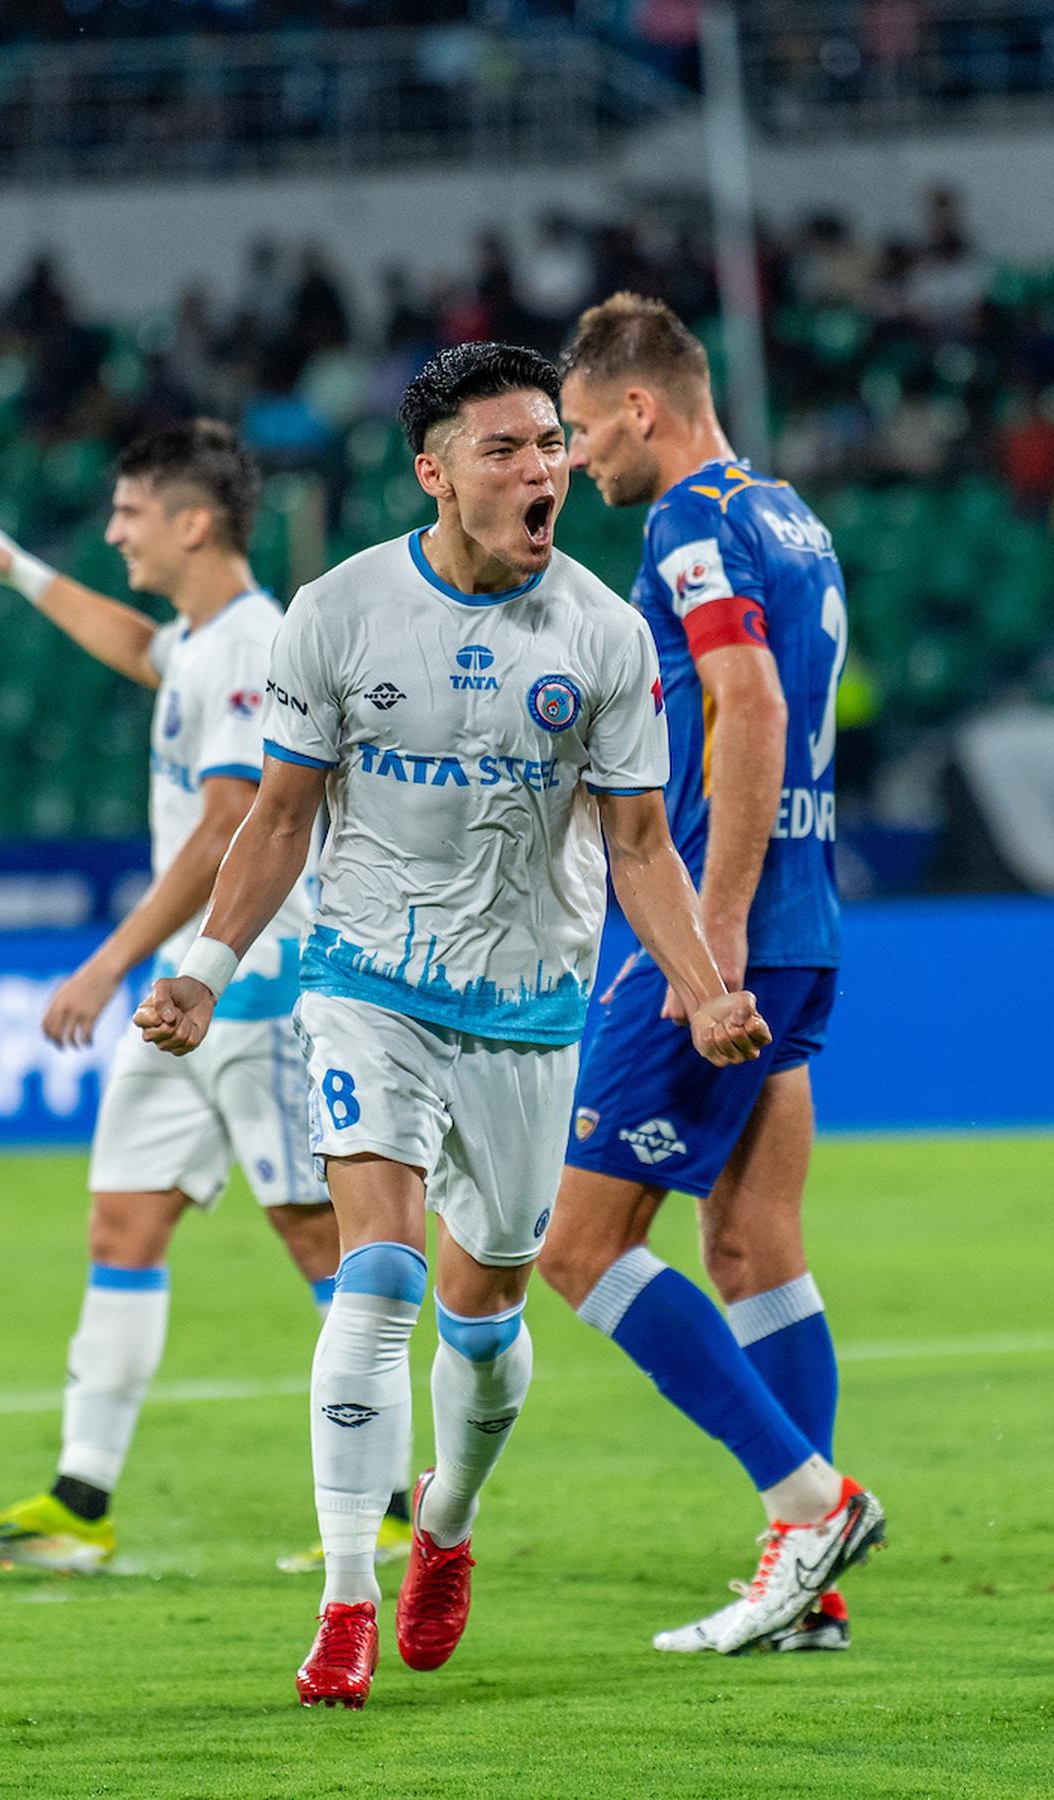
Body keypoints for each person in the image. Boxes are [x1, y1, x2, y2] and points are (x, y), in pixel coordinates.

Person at [134, 342, 772, 1712]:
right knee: (380, 1278)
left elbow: (644, 845)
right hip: (366, 991)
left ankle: (450, 1526)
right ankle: (344, 1603)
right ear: (435, 472)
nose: (545, 468)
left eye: (552, 443)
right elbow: (280, 818)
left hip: (531, 1017)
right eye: (507, 448)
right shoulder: (340, 612)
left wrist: (703, 981)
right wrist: (206, 964)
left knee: (486, 1317)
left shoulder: (603, 632)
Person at [0, 419, 412, 1575]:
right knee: (124, 1222)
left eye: (130, 513)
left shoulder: (258, 643)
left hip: (252, 987)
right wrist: (9, 564)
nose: (114, 533)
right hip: (184, 1003)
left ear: (193, 521)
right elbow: (141, 647)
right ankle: (79, 1503)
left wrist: (105, 962)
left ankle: (394, 1506)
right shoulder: (206, 640)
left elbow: (230, 821)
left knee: (314, 1234)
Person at [540, 292, 883, 1654]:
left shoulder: (688, 522)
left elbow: (751, 704)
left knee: (577, 1248)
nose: (572, 461)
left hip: (724, 925)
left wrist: (709, 934)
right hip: (810, 916)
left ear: (642, 408)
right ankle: (811, 1593)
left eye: (577, 431)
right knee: (751, 1243)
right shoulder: (791, 513)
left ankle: (810, 1503)